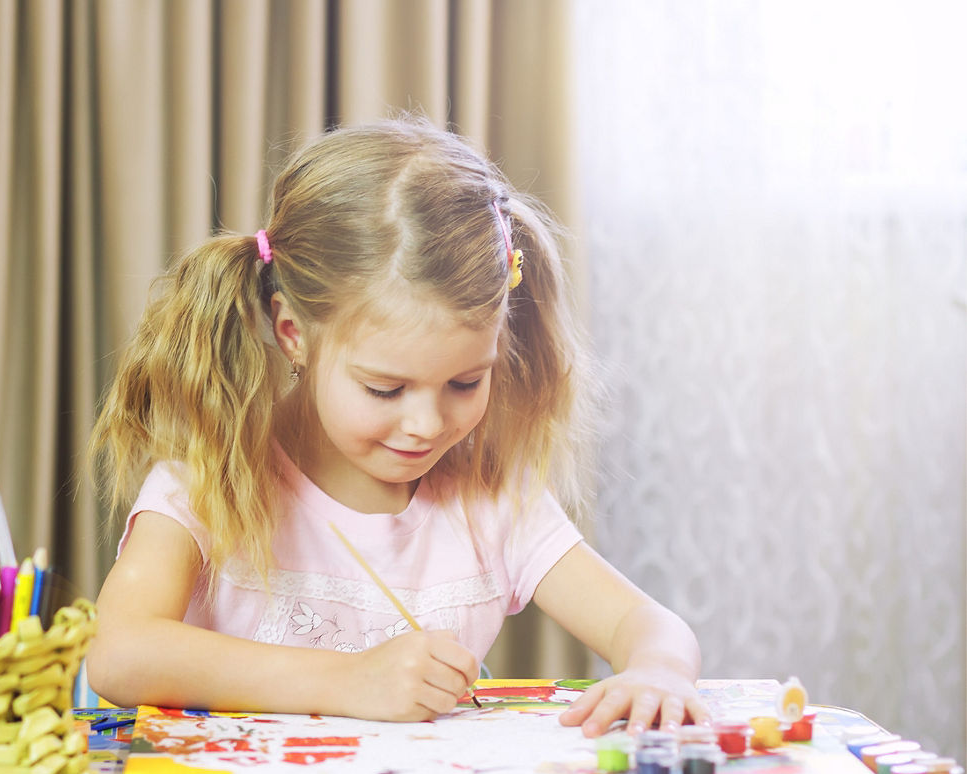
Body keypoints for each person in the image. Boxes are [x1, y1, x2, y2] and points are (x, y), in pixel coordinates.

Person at [85, 118, 708, 736]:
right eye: (386, 389)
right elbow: (120, 654)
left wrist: (659, 670)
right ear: (292, 334)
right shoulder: (206, 486)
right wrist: (347, 681)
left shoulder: (492, 500)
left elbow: (646, 624)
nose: (427, 424)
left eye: (466, 383)